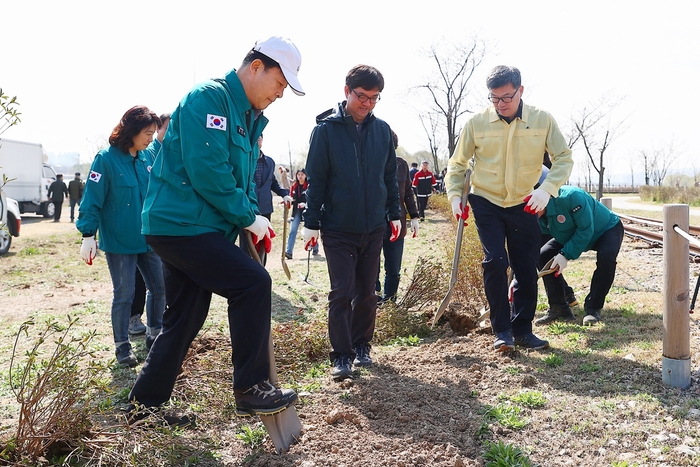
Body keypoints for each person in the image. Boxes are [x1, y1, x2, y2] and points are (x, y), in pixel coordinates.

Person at [126, 36, 304, 422]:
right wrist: (247, 215)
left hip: (202, 228)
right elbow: (209, 172)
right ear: (256, 67)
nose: (281, 93)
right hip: (180, 225)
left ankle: (144, 406)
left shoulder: (249, 117)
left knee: (186, 316)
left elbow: (242, 179)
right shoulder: (209, 99)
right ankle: (251, 387)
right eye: (279, 82)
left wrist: (253, 217)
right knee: (252, 283)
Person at [445, 65, 573, 352]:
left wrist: (546, 189)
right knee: (494, 262)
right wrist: (455, 196)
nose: (501, 104)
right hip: (486, 200)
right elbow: (458, 163)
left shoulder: (542, 120)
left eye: (506, 97)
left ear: (520, 91)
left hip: (524, 202)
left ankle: (523, 330)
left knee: (526, 268)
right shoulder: (477, 123)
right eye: (494, 98)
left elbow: (563, 157)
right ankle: (501, 331)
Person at [303, 64, 401, 381]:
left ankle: (362, 347)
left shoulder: (383, 131)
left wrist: (395, 213)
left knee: (368, 292)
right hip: (337, 228)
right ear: (347, 92)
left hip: (373, 226)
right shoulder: (325, 131)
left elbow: (390, 178)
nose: (367, 104)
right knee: (341, 292)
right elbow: (316, 181)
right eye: (362, 96)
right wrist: (310, 223)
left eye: (374, 98)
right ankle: (341, 356)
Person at [76, 105, 165, 367]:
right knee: (124, 294)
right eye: (147, 133)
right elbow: (92, 198)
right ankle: (122, 347)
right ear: (133, 130)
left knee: (160, 288)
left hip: (149, 238)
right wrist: (87, 234)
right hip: (119, 241)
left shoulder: (148, 157)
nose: (151, 138)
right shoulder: (106, 159)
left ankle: (154, 334)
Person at [533, 185, 624, 326]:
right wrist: (518, 277)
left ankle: (593, 309)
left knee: (607, 258)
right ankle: (559, 307)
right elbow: (530, 244)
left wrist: (565, 254)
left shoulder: (571, 196)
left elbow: (586, 229)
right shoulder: (537, 217)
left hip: (605, 229)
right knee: (543, 255)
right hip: (570, 233)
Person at [130, 112, 171, 336]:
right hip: (142, 221)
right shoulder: (147, 153)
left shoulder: (174, 151)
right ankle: (133, 316)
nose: (171, 132)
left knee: (159, 276)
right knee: (139, 274)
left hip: (162, 222)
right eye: (167, 128)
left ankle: (158, 319)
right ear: (158, 130)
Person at [376, 130, 420, 303]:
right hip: (374, 222)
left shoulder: (401, 165)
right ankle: (373, 296)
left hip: (398, 224)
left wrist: (414, 216)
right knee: (371, 265)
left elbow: (408, 192)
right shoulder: (370, 164)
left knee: (393, 267)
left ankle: (390, 299)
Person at [238, 134, 292, 264]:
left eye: (259, 138)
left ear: (262, 140)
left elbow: (272, 183)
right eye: (254, 137)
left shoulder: (270, 162)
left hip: (265, 207)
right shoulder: (243, 159)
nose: (257, 141)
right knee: (246, 243)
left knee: (263, 242)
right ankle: (246, 272)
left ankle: (262, 269)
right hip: (247, 208)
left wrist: (284, 194)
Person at [284, 169, 318, 259]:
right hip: (296, 212)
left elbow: (313, 200)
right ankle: (289, 251)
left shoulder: (309, 187)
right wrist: (288, 201)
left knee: (310, 229)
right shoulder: (294, 186)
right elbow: (291, 197)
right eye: (298, 174)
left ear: (305, 175)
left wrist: (305, 204)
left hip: (308, 211)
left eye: (302, 174)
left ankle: (315, 247)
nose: (300, 176)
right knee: (293, 230)